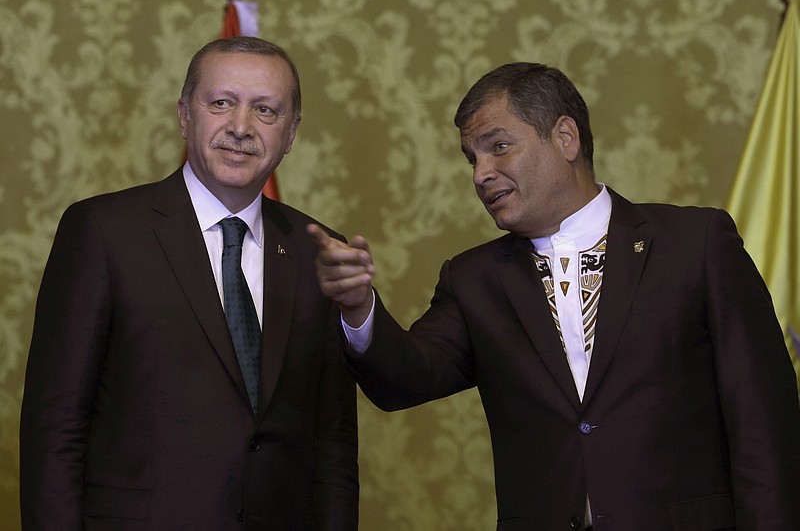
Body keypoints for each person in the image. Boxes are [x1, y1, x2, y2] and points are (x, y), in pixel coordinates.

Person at [307, 62, 800, 530]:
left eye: (498, 147)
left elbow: (764, 424)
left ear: (565, 137)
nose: (480, 173)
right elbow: (405, 378)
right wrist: (358, 307)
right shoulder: (474, 279)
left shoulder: (695, 242)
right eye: (471, 158)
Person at [20, 36, 358, 530]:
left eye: (265, 110)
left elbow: (334, 443)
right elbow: (55, 429)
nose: (241, 127)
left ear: (290, 133)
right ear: (184, 115)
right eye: (221, 103)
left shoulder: (319, 250)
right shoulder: (103, 231)